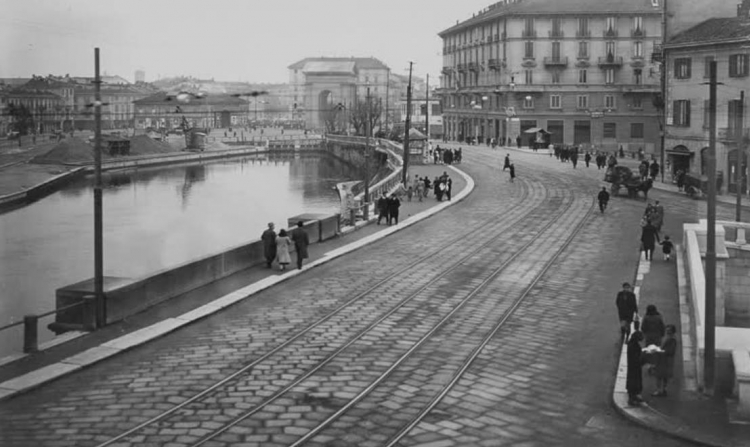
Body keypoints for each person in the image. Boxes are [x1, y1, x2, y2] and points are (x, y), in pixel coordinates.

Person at [653, 325, 678, 397]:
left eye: (668, 330)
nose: (667, 331)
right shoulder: (668, 338)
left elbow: (671, 351)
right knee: (664, 376)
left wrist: (660, 351)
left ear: (672, 331)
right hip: (664, 360)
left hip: (664, 360)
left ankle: (659, 390)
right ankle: (663, 389)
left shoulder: (672, 339)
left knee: (659, 375)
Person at [626, 329, 645, 406]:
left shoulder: (632, 344)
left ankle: (634, 396)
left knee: (634, 381)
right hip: (634, 367)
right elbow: (635, 358)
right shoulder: (633, 346)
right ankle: (632, 398)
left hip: (634, 367)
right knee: (634, 381)